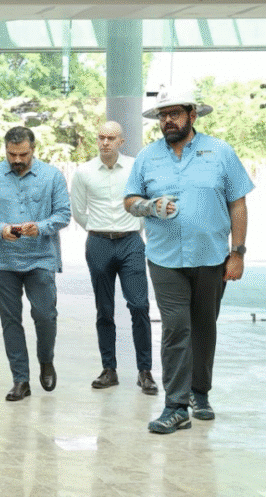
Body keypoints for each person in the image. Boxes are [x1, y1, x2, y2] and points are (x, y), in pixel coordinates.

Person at [124, 86, 253, 434]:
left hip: (211, 257)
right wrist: (149, 206)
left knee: (204, 327)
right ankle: (176, 405)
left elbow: (238, 205)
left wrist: (237, 253)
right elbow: (130, 200)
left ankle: (200, 393)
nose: (168, 120)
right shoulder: (147, 157)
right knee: (176, 328)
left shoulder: (221, 152)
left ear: (192, 115)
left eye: (175, 113)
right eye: (163, 115)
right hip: (165, 259)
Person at [0, 126, 70, 402]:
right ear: (5, 150)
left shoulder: (52, 176)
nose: (17, 160)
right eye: (12, 154)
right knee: (10, 321)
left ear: (33, 149)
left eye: (23, 154)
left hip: (41, 257)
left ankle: (46, 360)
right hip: (2, 260)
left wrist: (39, 227)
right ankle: (20, 379)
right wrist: (0, 228)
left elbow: (63, 214)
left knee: (45, 314)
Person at [70, 121, 157, 395]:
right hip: (98, 242)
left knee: (139, 306)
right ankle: (109, 369)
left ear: (121, 141)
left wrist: (131, 230)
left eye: (111, 138)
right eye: (101, 137)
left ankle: (145, 371)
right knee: (104, 310)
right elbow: (78, 211)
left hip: (130, 242)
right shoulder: (84, 172)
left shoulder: (135, 167)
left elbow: (144, 204)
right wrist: (98, 230)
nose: (105, 142)